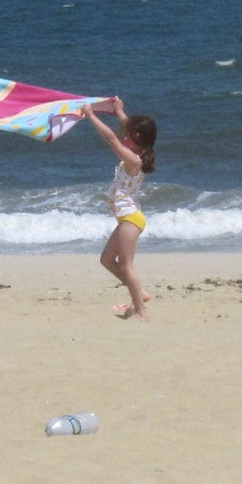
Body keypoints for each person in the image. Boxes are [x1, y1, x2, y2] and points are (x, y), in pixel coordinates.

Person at [81, 98, 157, 320]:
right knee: (106, 260)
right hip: (127, 219)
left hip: (131, 220)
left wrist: (91, 115)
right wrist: (119, 111)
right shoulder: (138, 152)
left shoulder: (134, 160)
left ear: (138, 140)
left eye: (130, 135)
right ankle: (139, 293)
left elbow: (110, 138)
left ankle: (140, 311)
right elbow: (125, 128)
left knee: (126, 266)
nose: (125, 136)